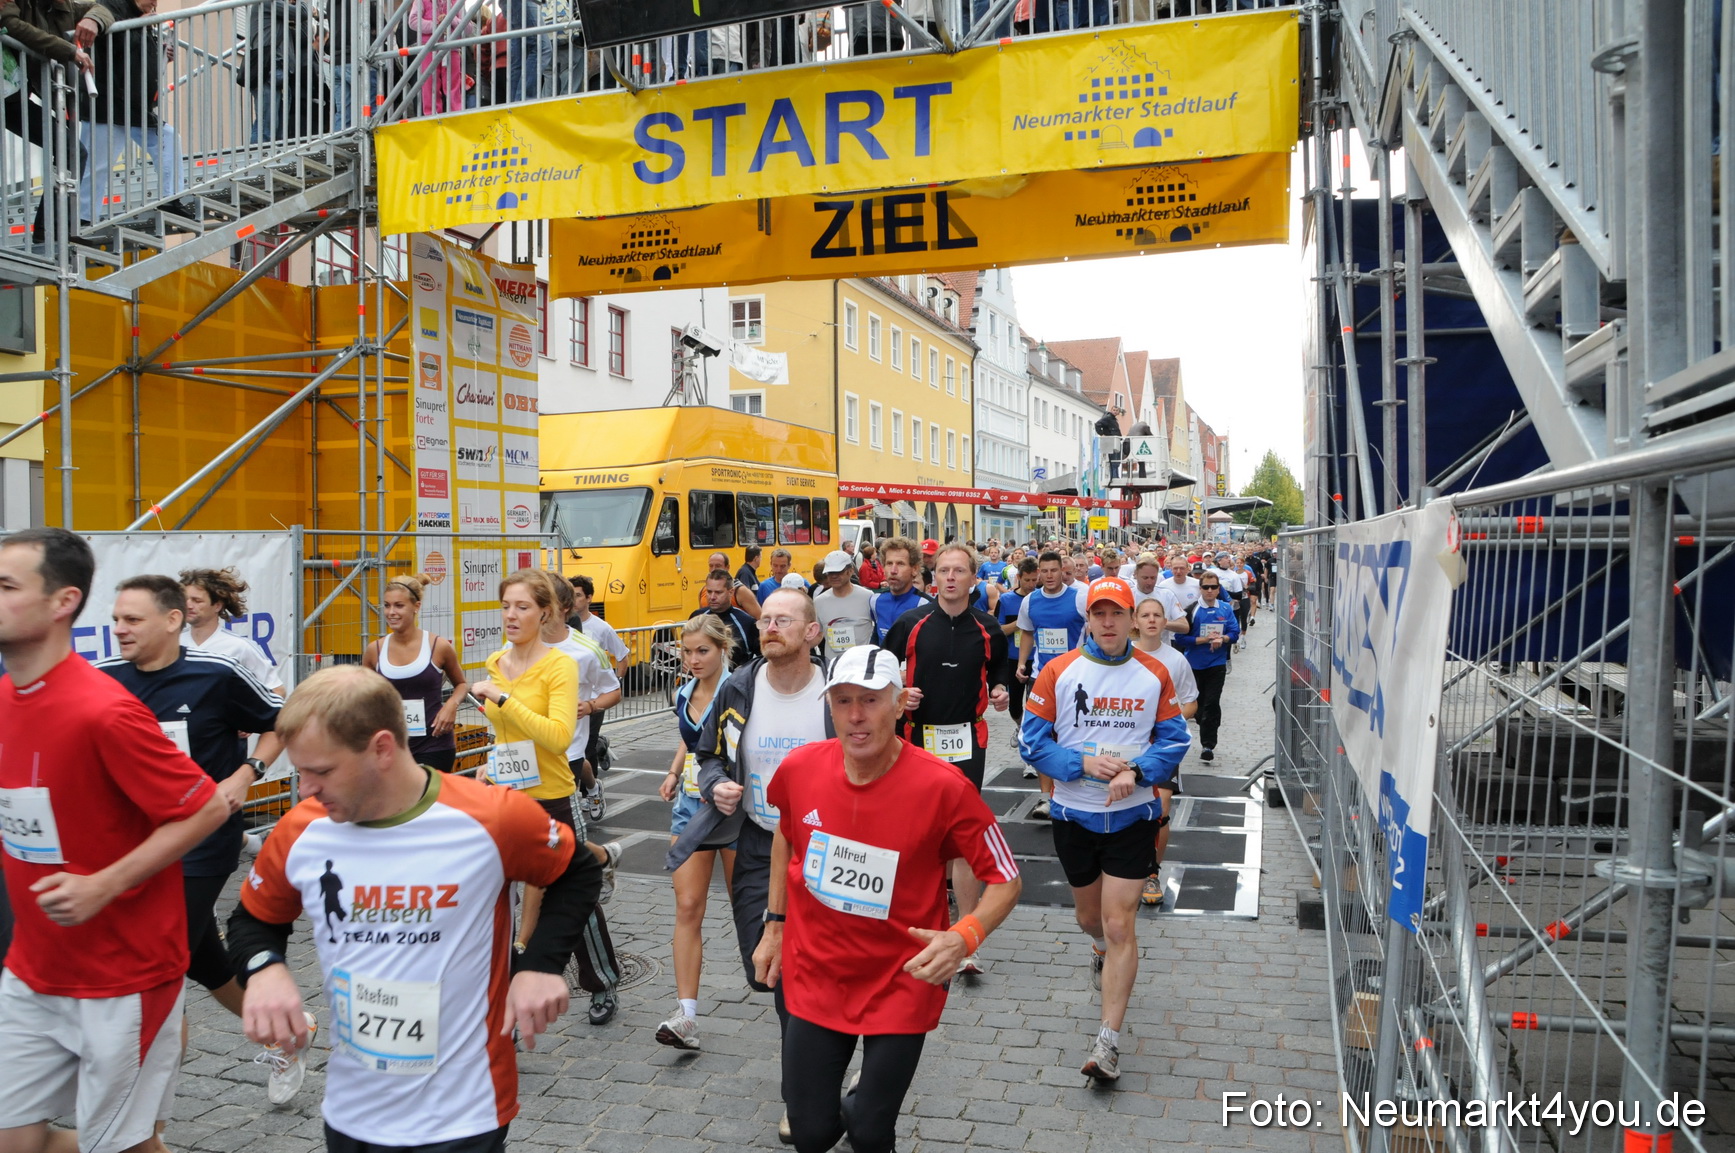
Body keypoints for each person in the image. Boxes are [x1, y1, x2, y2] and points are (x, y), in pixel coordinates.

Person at [226, 667, 603, 1153]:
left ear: (382, 748)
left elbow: (577, 871)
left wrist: (539, 966)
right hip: (351, 1113)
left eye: (321, 771)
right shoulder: (303, 829)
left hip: (463, 1114)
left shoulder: (490, 817)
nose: (304, 789)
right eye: (300, 771)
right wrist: (264, 970)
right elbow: (252, 919)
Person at [0, 528, 228, 1153]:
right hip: (32, 968)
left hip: (122, 978)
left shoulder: (104, 709)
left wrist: (104, 884)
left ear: (63, 602)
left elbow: (206, 806)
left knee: (123, 1147)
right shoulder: (6, 698)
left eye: (7, 586)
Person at [750, 643, 1021, 1153]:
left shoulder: (945, 787)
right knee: (809, 1133)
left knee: (871, 1133)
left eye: (871, 700)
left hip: (902, 977)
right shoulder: (800, 768)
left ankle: (865, 1113)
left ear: (899, 705)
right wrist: (775, 924)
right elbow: (787, 835)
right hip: (817, 971)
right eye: (843, 701)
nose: (856, 716)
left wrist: (965, 936)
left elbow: (1006, 877)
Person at [97, 576, 297, 1100]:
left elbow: (282, 722)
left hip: (204, 837)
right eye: (116, 620)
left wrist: (247, 773)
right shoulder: (103, 679)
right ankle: (287, 1033)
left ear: (172, 621)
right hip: (139, 843)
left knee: (160, 954)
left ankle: (141, 1103)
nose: (120, 629)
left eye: (132, 620)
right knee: (201, 958)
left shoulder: (217, 673)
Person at [669, 589, 828, 1145]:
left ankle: (802, 1094)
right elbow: (707, 754)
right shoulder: (740, 686)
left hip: (827, 847)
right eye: (766, 621)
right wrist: (717, 784)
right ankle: (820, 1064)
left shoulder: (833, 689)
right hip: (761, 842)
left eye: (784, 620)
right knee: (768, 966)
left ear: (812, 632)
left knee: (811, 970)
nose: (771, 627)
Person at [1020, 576, 1189, 1082]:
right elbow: (1031, 742)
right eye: (1100, 614)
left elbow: (1175, 739)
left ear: (1134, 619)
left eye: (1118, 613)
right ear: (1088, 619)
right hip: (1074, 815)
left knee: (1120, 926)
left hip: (1133, 817)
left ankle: (1107, 1042)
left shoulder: (1155, 673)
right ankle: (1096, 948)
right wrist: (1080, 764)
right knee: (1090, 920)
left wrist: (1137, 771)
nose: (1109, 622)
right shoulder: (1058, 670)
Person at [879, 544, 1010, 976]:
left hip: (968, 738)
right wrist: (901, 691)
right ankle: (908, 925)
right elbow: (881, 669)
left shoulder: (988, 627)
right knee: (915, 832)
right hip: (918, 737)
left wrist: (999, 690)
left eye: (959, 571)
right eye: (944, 571)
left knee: (964, 836)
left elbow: (1000, 669)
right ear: (933, 577)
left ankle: (966, 937)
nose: (950, 578)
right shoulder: (911, 623)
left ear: (973, 579)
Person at [538, 573, 624, 1025]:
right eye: (510, 605)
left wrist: (590, 706)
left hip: (562, 770)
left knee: (568, 879)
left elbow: (613, 689)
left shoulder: (583, 649)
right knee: (512, 884)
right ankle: (507, 991)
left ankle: (601, 981)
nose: (515, 614)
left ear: (559, 608)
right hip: (516, 778)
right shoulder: (510, 654)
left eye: (528, 604)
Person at [654, 613, 736, 1051]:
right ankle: (686, 1016)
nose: (693, 659)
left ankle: (795, 1005)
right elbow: (691, 738)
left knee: (750, 911)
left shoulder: (740, 689)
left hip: (735, 810)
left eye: (702, 650)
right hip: (690, 808)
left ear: (723, 648)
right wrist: (673, 772)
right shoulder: (684, 691)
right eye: (686, 652)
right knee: (687, 906)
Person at [1131, 596, 1199, 909]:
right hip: (1126, 744)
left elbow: (1191, 703)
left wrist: (1165, 721)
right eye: (1145, 615)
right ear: (1135, 621)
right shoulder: (1122, 655)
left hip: (1163, 745)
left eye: (1157, 615)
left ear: (1164, 621)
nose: (1151, 620)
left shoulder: (1176, 660)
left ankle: (1151, 873)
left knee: (1161, 806)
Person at [362, 572, 467, 774]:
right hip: (391, 748)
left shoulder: (438, 646)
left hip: (434, 745)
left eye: (399, 606)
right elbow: (362, 697)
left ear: (416, 606)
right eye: (387, 605)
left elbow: (461, 684)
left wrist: (451, 706)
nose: (391, 612)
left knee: (426, 795)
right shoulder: (374, 651)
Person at [1014, 551, 1088, 810]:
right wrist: (1022, 663)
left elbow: (1094, 629)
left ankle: (1073, 791)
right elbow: (1027, 633)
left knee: (1071, 734)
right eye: (1044, 571)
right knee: (1041, 736)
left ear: (1062, 571)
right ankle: (1046, 798)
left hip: (1074, 678)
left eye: (1053, 570)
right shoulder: (1030, 601)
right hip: (1041, 678)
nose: (1048, 576)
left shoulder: (1079, 597)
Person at [568, 574, 627, 817]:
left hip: (592, 701)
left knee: (586, 747)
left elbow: (622, 656)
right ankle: (590, 788)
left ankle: (588, 795)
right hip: (566, 703)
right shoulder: (554, 629)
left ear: (589, 598)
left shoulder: (601, 628)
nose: (574, 600)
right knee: (573, 751)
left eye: (578, 595)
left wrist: (614, 684)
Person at [181, 567, 284, 692]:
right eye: (185, 600)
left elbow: (277, 691)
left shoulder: (240, 647)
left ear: (217, 606)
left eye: (197, 601)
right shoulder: (173, 644)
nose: (188, 605)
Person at [1174, 571, 1239, 763]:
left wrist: (1223, 639)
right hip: (1194, 665)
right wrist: (1203, 640)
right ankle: (1201, 722)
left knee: (1212, 703)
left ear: (1219, 589)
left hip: (1216, 664)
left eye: (1213, 587)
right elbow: (1180, 638)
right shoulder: (1191, 610)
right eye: (1206, 587)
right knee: (1198, 706)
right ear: (1200, 589)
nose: (1210, 590)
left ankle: (1208, 745)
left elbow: (1234, 632)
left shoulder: (1225, 608)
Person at [996, 558, 1038, 751]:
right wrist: (1020, 622)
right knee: (1014, 706)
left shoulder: (1040, 598)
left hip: (1036, 659)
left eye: (1034, 580)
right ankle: (1020, 726)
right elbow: (999, 630)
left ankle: (1028, 737)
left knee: (1033, 704)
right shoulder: (1006, 600)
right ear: (1019, 577)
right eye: (1027, 580)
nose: (1031, 585)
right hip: (1013, 658)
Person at [812, 549, 874, 662]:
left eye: (839, 572)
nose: (834, 576)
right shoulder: (819, 601)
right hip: (834, 666)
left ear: (850, 571)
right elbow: (816, 634)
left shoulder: (868, 597)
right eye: (830, 572)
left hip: (862, 664)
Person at [868, 537, 930, 641]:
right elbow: (876, 637)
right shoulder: (875, 601)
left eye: (900, 564)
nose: (893, 570)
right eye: (889, 563)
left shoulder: (925, 605)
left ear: (914, 569)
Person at [692, 568, 760, 660]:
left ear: (731, 592)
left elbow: (762, 657)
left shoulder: (746, 623)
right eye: (709, 592)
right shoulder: (696, 617)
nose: (712, 597)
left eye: (718, 592)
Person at [707, 550, 763, 619]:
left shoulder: (741, 591)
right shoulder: (704, 590)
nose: (713, 569)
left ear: (727, 567)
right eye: (711, 566)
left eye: (718, 566)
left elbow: (760, 618)